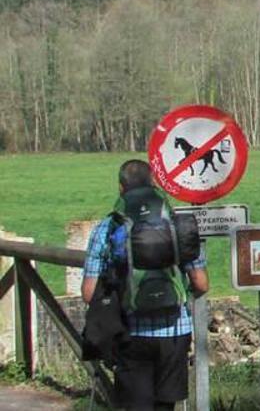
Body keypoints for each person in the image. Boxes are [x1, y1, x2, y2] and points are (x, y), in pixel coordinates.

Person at [81, 160, 208, 411]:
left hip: (130, 333)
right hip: (174, 330)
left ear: (121, 188)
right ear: (154, 184)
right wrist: (181, 295)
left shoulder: (107, 228)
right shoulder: (178, 224)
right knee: (165, 406)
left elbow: (88, 293)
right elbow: (201, 283)